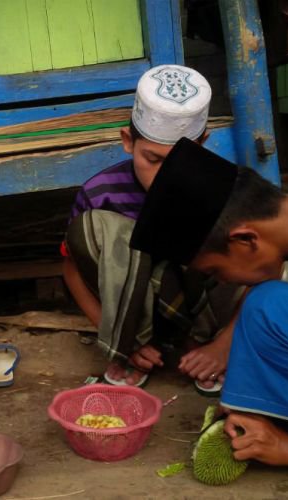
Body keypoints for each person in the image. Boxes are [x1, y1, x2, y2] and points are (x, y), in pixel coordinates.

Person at [130, 138, 288, 495]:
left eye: (216, 271)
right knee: (268, 303)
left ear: (246, 239)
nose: (225, 282)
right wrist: (250, 391)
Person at [62, 64, 240, 392]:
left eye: (181, 161)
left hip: (197, 305)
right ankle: (135, 344)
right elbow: (71, 268)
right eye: (153, 160)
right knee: (89, 229)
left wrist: (222, 346)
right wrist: (116, 336)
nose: (165, 178)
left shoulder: (224, 187)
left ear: (202, 144)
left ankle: (202, 343)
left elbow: (261, 272)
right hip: (133, 313)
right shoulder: (100, 194)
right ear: (128, 141)